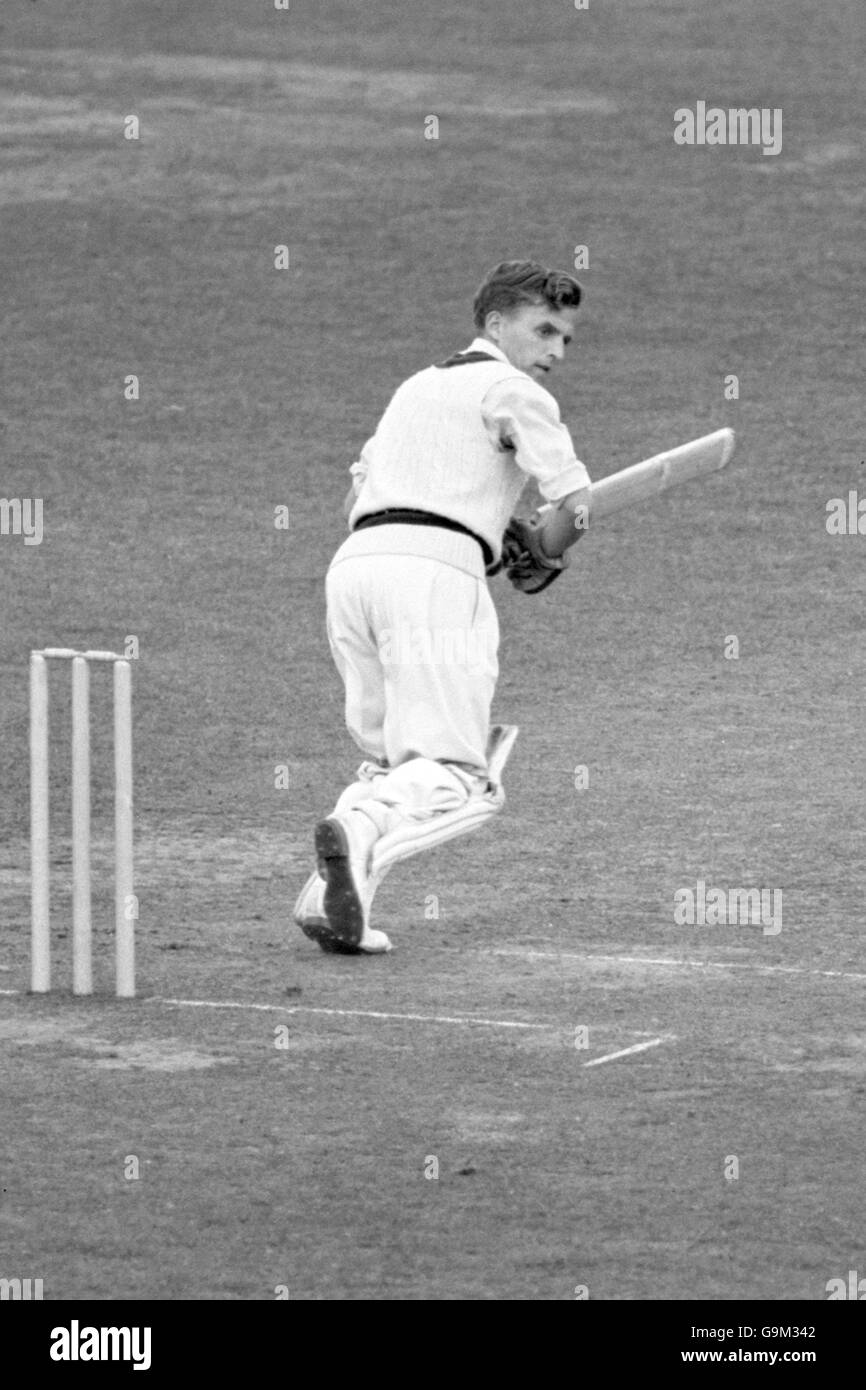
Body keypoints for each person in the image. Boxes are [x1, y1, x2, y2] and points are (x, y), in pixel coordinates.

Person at [293, 259, 592, 954]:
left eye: (566, 339)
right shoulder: (514, 391)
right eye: (543, 330)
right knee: (461, 780)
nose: (555, 351)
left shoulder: (415, 388)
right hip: (434, 580)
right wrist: (540, 552)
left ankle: (333, 899)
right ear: (495, 323)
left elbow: (356, 503)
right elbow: (574, 510)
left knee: (396, 762)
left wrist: (496, 542)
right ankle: (361, 835)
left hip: (356, 572)